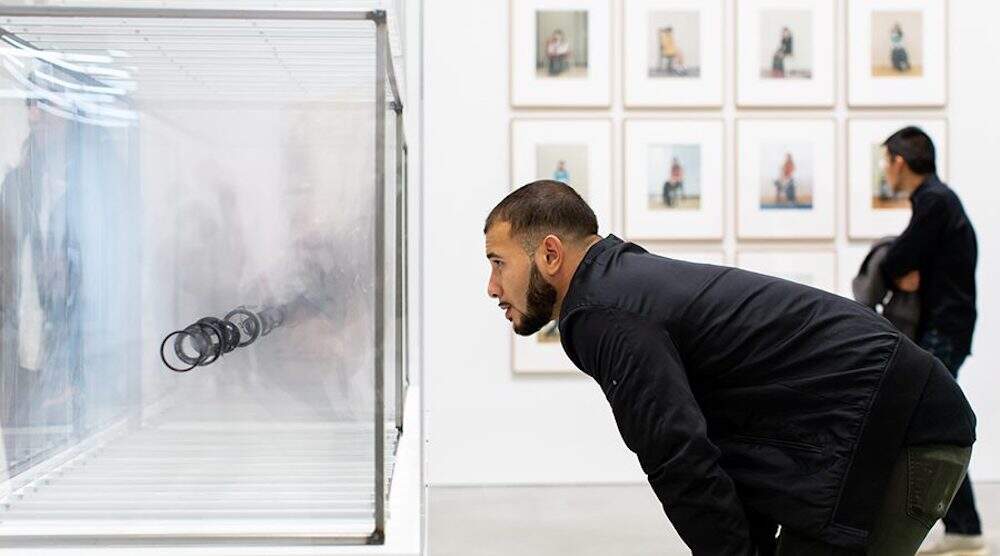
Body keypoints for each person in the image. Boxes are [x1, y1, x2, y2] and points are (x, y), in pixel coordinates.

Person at [484, 180, 976, 555]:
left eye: (498, 262)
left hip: (899, 426)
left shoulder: (603, 313)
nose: (491, 286)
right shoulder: (623, 286)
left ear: (550, 253)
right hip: (870, 423)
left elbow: (678, 456)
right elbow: (719, 439)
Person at [877, 127, 984, 556]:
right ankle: (963, 524)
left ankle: (963, 525)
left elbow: (897, 259)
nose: (886, 171)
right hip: (947, 326)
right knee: (930, 420)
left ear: (899, 162)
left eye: (887, 161)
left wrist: (895, 269)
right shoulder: (939, 201)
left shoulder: (934, 201)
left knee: (930, 422)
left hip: (944, 327)